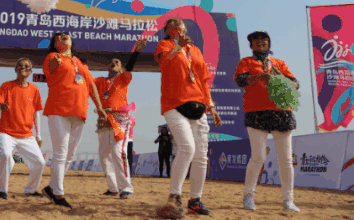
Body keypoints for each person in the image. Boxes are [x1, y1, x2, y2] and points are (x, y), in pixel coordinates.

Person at [154, 18, 222, 219]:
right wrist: (178, 47)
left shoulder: (196, 50)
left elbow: (203, 81)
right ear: (168, 30)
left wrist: (211, 106)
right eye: (174, 26)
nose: (179, 28)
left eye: (181, 26)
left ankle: (195, 201)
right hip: (174, 104)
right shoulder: (164, 45)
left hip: (198, 105)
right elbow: (165, 63)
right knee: (187, 148)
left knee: (201, 155)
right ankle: (174, 196)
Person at [234, 31, 301, 212]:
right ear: (251, 45)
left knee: (286, 159)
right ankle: (248, 196)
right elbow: (240, 80)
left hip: (282, 111)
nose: (260, 42)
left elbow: (296, 83)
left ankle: (288, 200)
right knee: (258, 157)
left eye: (264, 39)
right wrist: (259, 78)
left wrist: (283, 81)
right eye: (256, 40)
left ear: (269, 43)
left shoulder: (279, 63)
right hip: (256, 112)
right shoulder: (246, 62)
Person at [41, 31, 107, 209]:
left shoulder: (80, 62)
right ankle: (58, 194)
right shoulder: (52, 57)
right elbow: (51, 69)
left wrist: (100, 107)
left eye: (67, 35)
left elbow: (91, 85)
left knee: (69, 155)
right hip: (58, 110)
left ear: (71, 41)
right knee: (61, 154)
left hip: (79, 111)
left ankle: (51, 188)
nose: (64, 36)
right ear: (55, 43)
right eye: (60, 36)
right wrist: (58, 58)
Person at [94, 39, 147, 199]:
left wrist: (136, 52)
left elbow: (130, 67)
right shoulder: (99, 81)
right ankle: (113, 188)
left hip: (119, 121)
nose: (113, 63)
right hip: (103, 121)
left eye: (117, 62)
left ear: (121, 69)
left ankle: (127, 188)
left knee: (118, 152)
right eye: (111, 62)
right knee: (104, 156)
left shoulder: (123, 79)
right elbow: (86, 81)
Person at [0, 58, 45, 199]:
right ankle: (1, 190)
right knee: (6, 155)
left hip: (26, 134)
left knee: (40, 163)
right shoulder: (6, 86)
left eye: (26, 66)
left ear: (30, 71)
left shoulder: (34, 90)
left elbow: (36, 113)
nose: (23, 68)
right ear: (15, 69)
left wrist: (38, 134)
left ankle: (31, 190)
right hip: (5, 132)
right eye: (20, 65)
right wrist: (0, 107)